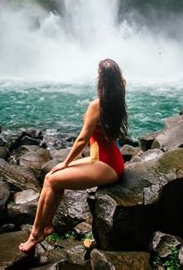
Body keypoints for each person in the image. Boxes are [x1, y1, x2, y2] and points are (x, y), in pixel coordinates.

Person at [19, 58, 128, 254]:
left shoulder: (97, 105)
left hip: (106, 165)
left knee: (51, 179)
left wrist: (65, 162)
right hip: (112, 159)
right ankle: (47, 226)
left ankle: (35, 235)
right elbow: (119, 79)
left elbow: (82, 140)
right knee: (53, 179)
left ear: (101, 79)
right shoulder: (119, 92)